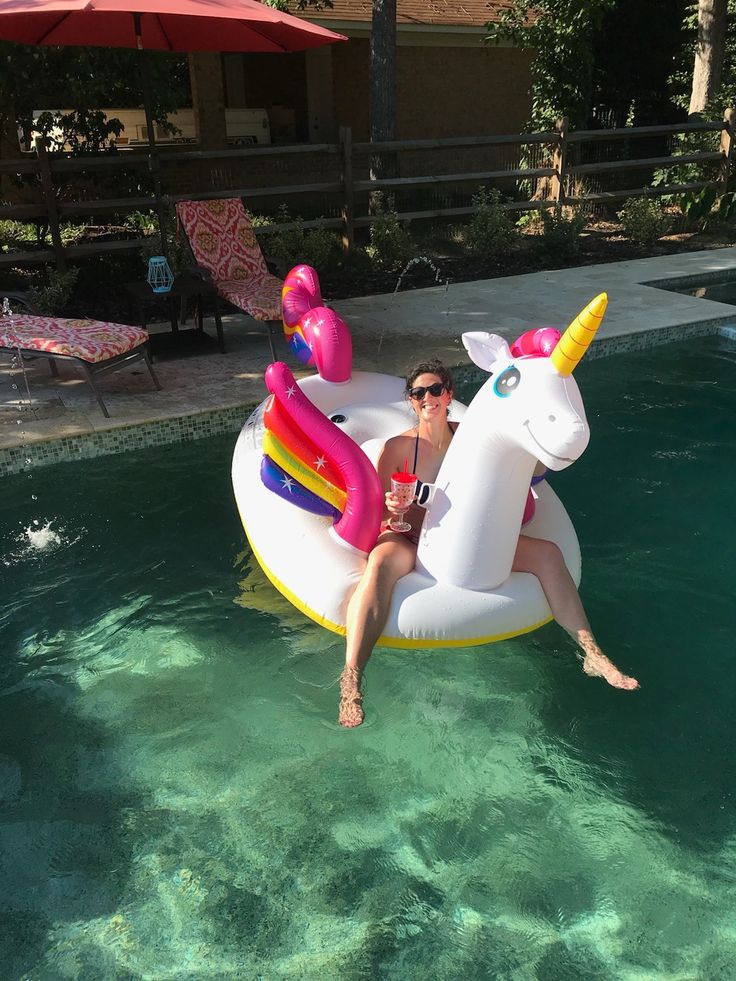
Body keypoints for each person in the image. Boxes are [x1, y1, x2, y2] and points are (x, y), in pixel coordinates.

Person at [338, 358, 639, 728]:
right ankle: (352, 678)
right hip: (410, 535)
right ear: (411, 402)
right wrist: (396, 505)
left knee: (548, 555)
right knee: (381, 565)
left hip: (461, 538)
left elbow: (526, 469)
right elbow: (386, 508)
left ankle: (591, 651)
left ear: (448, 394)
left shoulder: (472, 439)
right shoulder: (398, 448)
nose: (427, 398)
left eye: (435, 390)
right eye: (418, 393)